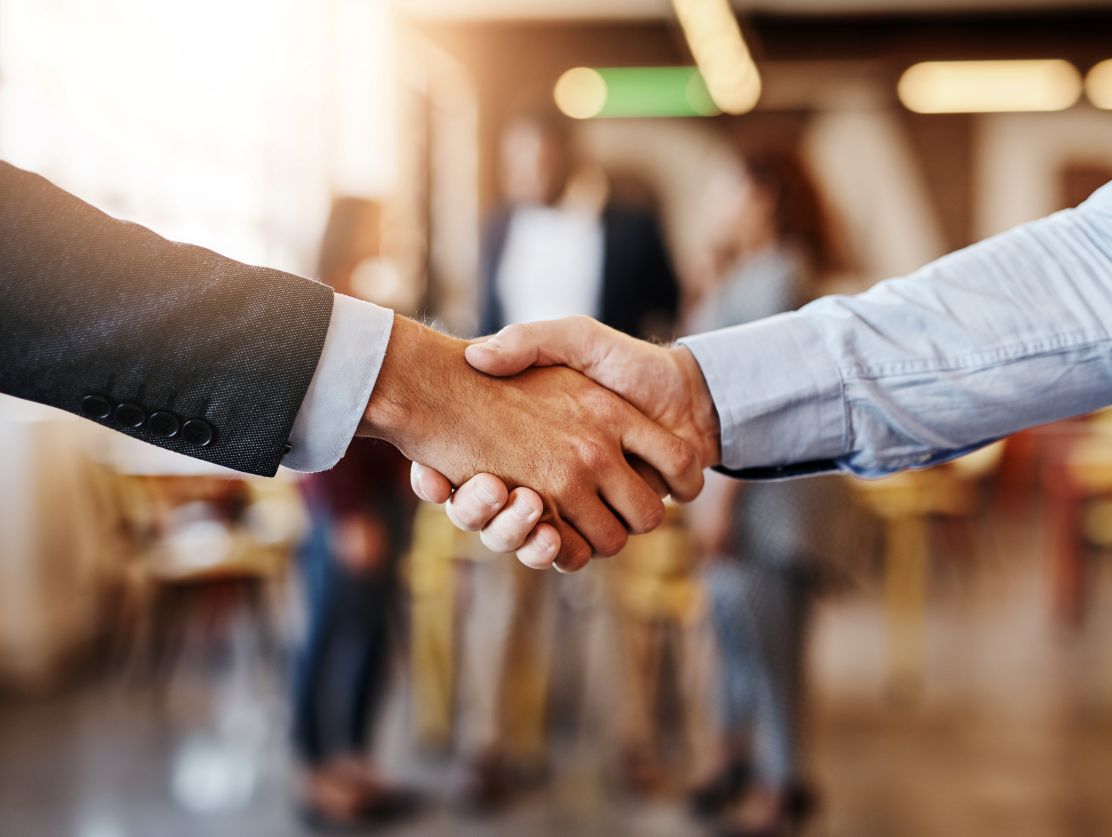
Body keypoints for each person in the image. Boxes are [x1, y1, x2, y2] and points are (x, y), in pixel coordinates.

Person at [409, 92, 1112, 572]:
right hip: (673, 461)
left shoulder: (721, 256)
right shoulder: (507, 232)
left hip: (722, 498)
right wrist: (697, 394)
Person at [0, 162, 704, 574]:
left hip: (401, 493)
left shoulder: (379, 287)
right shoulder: (342, 284)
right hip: (357, 502)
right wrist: (433, 392)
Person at [451, 111, 682, 809]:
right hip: (505, 438)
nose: (523, 175)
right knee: (500, 595)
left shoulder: (632, 223)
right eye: (512, 160)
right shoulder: (497, 226)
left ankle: (630, 741)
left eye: (534, 159)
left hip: (601, 437)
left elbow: (667, 317)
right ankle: (486, 745)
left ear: (563, 154)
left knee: (611, 598)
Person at [682, 147, 852, 836]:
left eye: (729, 189)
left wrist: (719, 502)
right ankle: (735, 757)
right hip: (740, 497)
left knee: (772, 641)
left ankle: (784, 782)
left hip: (764, 502)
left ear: (765, 196)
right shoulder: (747, 273)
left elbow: (748, 403)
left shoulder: (782, 275)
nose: (718, 203)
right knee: (735, 631)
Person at [290, 199, 420, 829]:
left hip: (383, 501)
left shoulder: (363, 304)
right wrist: (344, 513)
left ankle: (355, 758)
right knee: (327, 635)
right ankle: (317, 770)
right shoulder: (318, 307)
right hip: (350, 510)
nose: (388, 235)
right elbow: (311, 421)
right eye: (380, 224)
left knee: (371, 636)